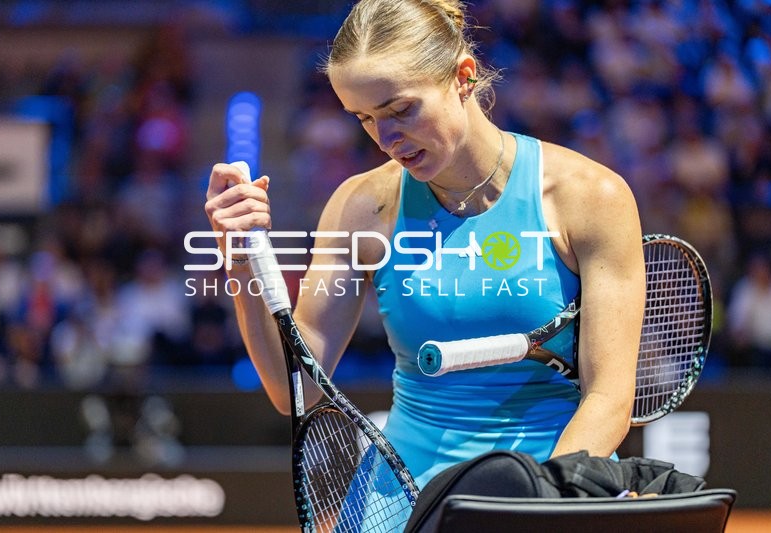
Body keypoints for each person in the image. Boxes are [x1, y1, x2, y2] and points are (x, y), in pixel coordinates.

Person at [204, 0, 646, 491]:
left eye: (401, 109)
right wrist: (239, 257)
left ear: (463, 76)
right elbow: (297, 390)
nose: (387, 137)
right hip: (403, 491)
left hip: (551, 481)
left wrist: (544, 498)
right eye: (364, 118)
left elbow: (609, 397)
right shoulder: (362, 207)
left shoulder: (589, 197)